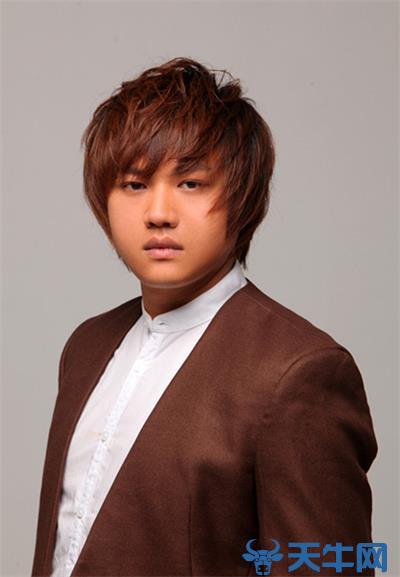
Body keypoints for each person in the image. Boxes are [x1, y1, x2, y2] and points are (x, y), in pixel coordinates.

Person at [31, 57, 378, 577]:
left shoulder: (300, 371)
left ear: (241, 197)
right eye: (134, 184)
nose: (159, 213)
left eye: (191, 183)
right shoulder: (87, 346)